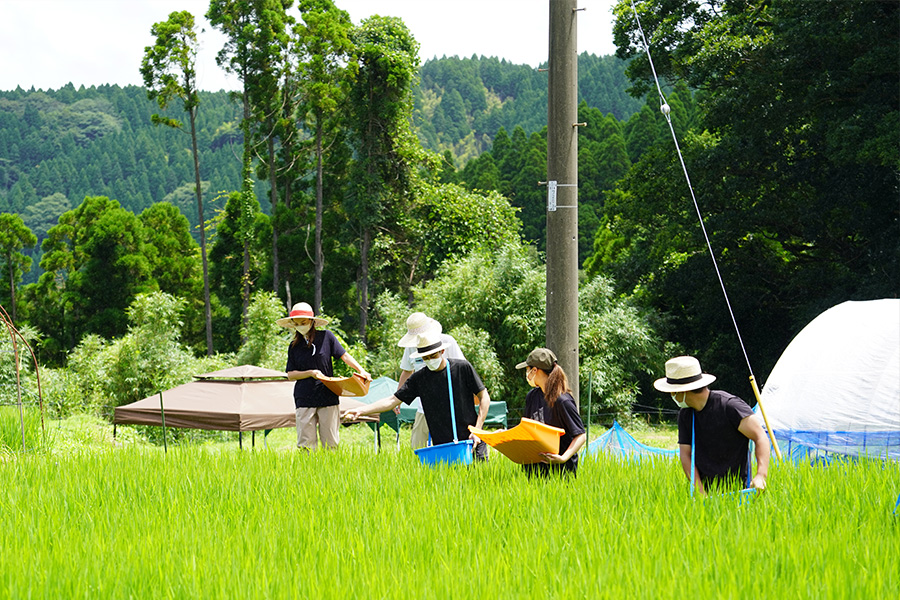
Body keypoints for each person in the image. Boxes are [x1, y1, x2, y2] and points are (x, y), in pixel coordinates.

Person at [342, 330, 491, 459]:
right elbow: (392, 400)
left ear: (442, 352)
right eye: (425, 358)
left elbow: (484, 397)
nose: (429, 361)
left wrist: (478, 430)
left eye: (433, 356)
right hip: (444, 447)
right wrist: (361, 410)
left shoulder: (461, 368)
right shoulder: (420, 378)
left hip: (472, 441)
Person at [654, 355, 770, 495]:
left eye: (672, 391)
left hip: (740, 489)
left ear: (683, 390)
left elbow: (760, 436)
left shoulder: (729, 406)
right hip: (707, 492)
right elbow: (686, 454)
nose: (671, 395)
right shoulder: (686, 415)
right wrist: (699, 490)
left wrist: (761, 475)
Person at [277, 302, 370, 450]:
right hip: (304, 398)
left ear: (312, 321)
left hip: (327, 394)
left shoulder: (326, 337)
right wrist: (310, 373)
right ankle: (307, 471)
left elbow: (344, 356)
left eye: (303, 322)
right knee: (306, 444)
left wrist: (361, 370)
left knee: (331, 441)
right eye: (297, 323)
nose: (301, 326)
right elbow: (290, 375)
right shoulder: (294, 346)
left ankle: (331, 470)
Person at [396, 312, 467, 450]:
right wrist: (399, 397)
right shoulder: (411, 347)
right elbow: (407, 370)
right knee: (417, 447)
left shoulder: (447, 341)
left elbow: (462, 371)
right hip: (424, 406)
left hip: (450, 405)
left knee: (450, 447)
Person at [515, 348, 586, 477]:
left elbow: (580, 435)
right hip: (534, 469)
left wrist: (563, 458)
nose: (526, 374)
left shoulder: (562, 400)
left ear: (535, 370)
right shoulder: (532, 396)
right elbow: (526, 428)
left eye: (527, 369)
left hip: (560, 471)